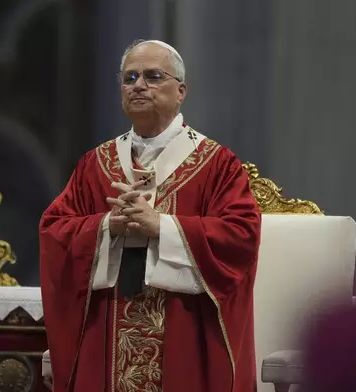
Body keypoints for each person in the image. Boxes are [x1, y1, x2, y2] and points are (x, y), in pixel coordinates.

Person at [40, 39, 261, 392]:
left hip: (184, 329)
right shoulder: (96, 164)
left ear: (181, 91)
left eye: (153, 76)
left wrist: (162, 226)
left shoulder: (216, 164)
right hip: (108, 325)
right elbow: (54, 229)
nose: (138, 85)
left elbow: (241, 234)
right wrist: (105, 226)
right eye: (129, 78)